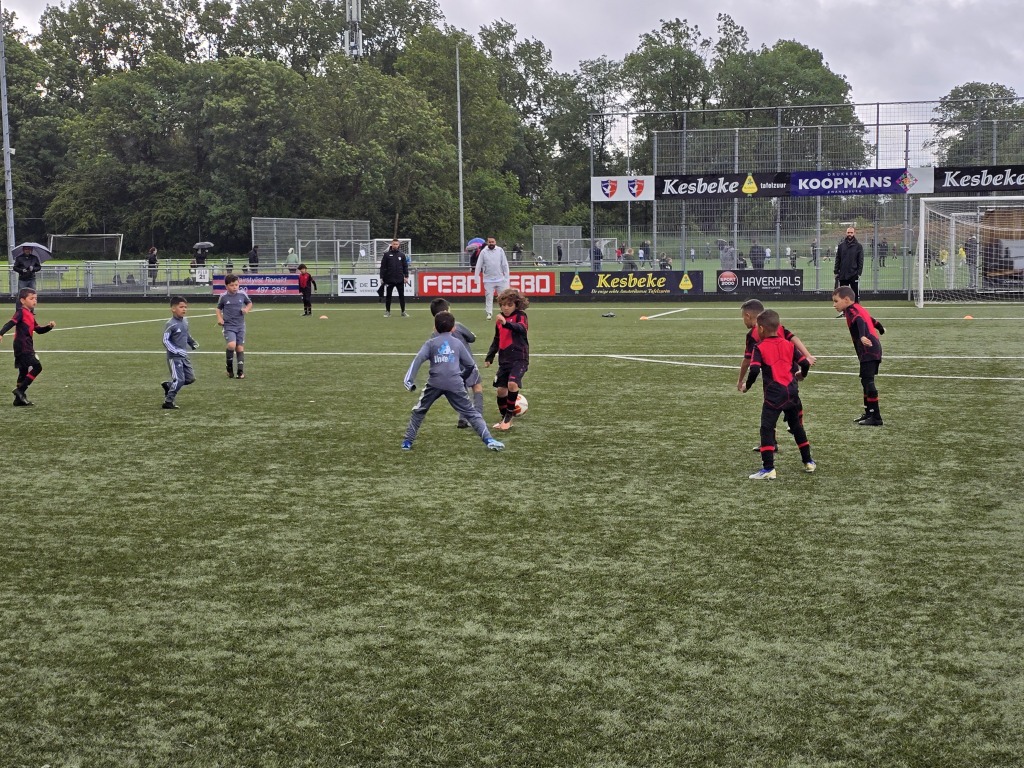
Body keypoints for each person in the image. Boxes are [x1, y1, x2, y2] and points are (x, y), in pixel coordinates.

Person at [402, 310, 504, 452]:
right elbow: (470, 364)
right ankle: (489, 440)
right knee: (471, 413)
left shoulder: (430, 343)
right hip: (455, 383)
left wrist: (409, 380)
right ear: (453, 328)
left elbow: (418, 359)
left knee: (419, 411)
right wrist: (462, 377)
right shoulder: (457, 343)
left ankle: (407, 442)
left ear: (435, 328)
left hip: (435, 383)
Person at [740, 309, 816, 480]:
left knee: (766, 428)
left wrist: (747, 386)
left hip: (774, 395)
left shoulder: (759, 347)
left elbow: (754, 370)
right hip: (792, 392)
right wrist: (802, 375)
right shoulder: (789, 345)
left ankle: (768, 468)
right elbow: (804, 363)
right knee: (797, 427)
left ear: (760, 329)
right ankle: (808, 461)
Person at [833, 285, 886, 427]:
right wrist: (880, 328)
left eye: (836, 301)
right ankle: (869, 413)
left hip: (868, 349)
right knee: (865, 381)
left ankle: (876, 417)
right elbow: (871, 319)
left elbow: (860, 320)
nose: (834, 305)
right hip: (872, 349)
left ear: (846, 299)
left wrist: (862, 336)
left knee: (868, 381)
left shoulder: (851, 310)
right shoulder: (857, 308)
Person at [430, 298, 484, 429]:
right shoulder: (457, 326)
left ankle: (462, 419)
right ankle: (477, 415)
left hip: (451, 367)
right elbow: (472, 338)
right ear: (447, 311)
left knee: (462, 392)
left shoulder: (434, 333)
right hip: (467, 364)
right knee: (477, 386)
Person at [483, 287, 529, 432]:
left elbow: (522, 329)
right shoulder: (500, 320)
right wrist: (490, 356)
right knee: (501, 391)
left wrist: (506, 323)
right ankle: (504, 418)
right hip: (504, 360)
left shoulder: (521, 316)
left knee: (512, 384)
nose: (506, 308)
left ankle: (508, 419)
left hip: (519, 358)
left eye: (509, 305)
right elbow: (497, 339)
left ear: (516, 304)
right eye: (503, 305)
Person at [0, 288, 55, 406]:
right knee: (37, 367)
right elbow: (11, 323)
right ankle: (20, 391)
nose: (35, 301)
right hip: (23, 346)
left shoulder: (30, 314)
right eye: (31, 298)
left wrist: (49, 327)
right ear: (22, 300)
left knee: (23, 371)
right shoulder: (21, 312)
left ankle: (18, 400)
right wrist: (1, 333)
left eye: (36, 298)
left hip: (26, 345)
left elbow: (38, 330)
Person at [161, 296, 199, 409]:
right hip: (174, 357)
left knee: (190, 378)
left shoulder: (185, 321)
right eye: (181, 307)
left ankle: (169, 385)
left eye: (185, 307)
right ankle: (168, 402)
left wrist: (192, 342)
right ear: (173, 309)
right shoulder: (170, 324)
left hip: (184, 356)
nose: (184, 309)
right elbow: (165, 340)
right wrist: (176, 351)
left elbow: (186, 334)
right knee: (179, 380)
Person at [216, 273, 252, 379]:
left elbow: (249, 303)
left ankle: (240, 372)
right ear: (226, 286)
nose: (235, 287)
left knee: (239, 347)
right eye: (232, 285)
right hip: (229, 326)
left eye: (236, 285)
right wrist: (220, 318)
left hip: (240, 326)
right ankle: (229, 368)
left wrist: (246, 309)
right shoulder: (223, 297)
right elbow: (218, 309)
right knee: (232, 345)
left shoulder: (242, 294)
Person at [473, 237, 510, 319]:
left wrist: (507, 277)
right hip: (488, 279)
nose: (491, 243)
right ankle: (489, 313)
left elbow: (504, 264)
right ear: (487, 243)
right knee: (489, 297)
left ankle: (504, 312)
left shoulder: (500, 250)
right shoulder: (483, 252)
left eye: (493, 242)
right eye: (490, 242)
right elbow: (478, 265)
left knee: (503, 297)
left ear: (495, 242)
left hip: (500, 279)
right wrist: (476, 278)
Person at [379, 239, 410, 318]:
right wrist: (381, 277)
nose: (395, 245)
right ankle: (387, 312)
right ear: (391, 244)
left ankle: (403, 312)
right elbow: (383, 267)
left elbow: (405, 266)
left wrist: (406, 276)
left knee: (401, 296)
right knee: (388, 296)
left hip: (400, 279)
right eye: (394, 244)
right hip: (389, 279)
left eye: (397, 244)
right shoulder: (386, 255)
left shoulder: (402, 255)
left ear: (398, 245)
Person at [835, 226, 863, 305]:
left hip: (854, 274)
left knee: (855, 294)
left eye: (851, 232)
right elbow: (838, 259)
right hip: (843, 274)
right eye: (848, 232)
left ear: (854, 233)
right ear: (846, 233)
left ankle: (856, 309)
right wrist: (836, 271)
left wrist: (859, 273)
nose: (850, 234)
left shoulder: (858, 246)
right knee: (843, 294)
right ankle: (844, 310)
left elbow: (860, 260)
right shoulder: (841, 246)